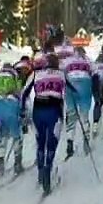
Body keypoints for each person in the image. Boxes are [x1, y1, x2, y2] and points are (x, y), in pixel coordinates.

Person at [23, 53, 66, 195]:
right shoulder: (61, 74)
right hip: (55, 111)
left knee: (40, 142)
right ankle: (47, 169)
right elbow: (72, 91)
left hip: (38, 110)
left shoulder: (36, 74)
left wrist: (22, 110)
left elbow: (24, 93)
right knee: (52, 142)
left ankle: (41, 171)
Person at [0, 63, 25, 178]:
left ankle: (0, 163)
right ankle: (17, 162)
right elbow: (20, 93)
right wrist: (23, 115)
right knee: (16, 136)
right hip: (11, 102)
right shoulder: (14, 75)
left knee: (2, 135)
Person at [61, 46, 93, 160]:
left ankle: (70, 142)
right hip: (85, 84)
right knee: (84, 115)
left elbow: (61, 74)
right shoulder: (88, 60)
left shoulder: (67, 60)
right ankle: (86, 142)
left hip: (70, 83)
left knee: (71, 115)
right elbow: (93, 73)